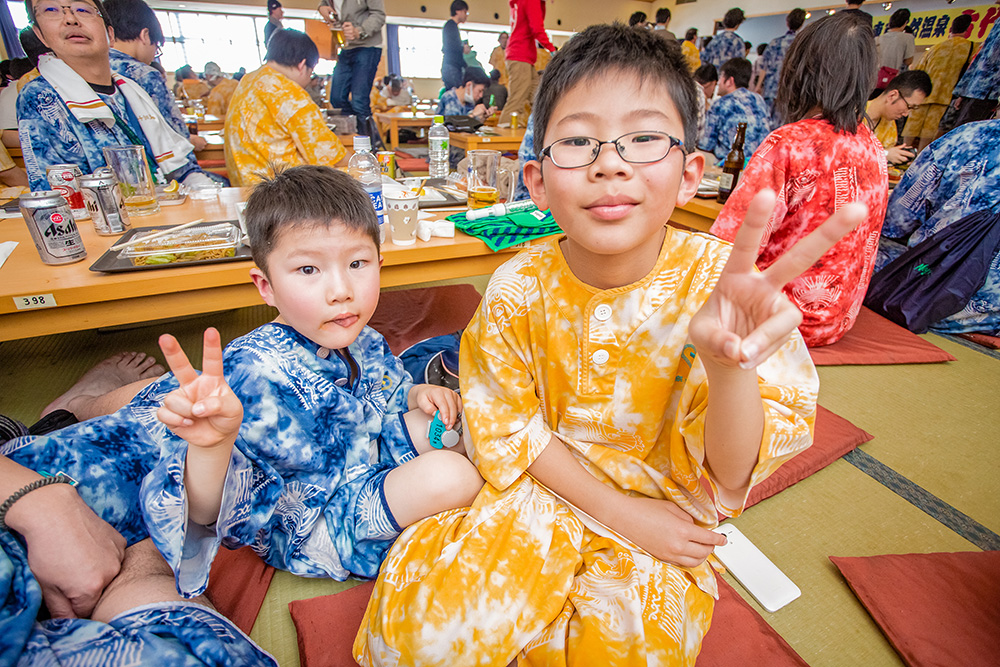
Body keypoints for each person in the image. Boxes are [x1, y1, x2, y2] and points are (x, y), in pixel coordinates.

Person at [354, 22, 865, 666]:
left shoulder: (722, 289)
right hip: (539, 490)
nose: (610, 162)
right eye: (578, 141)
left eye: (644, 138)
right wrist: (619, 513)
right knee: (418, 640)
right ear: (536, 183)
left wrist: (727, 369)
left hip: (666, 510)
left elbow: (732, 476)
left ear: (689, 176)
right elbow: (506, 426)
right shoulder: (516, 286)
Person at [2, 165, 485, 601]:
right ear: (265, 286)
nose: (341, 290)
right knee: (454, 472)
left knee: (448, 422)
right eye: (308, 270)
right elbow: (221, 514)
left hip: (337, 467)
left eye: (357, 264)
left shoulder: (364, 340)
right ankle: (69, 410)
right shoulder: (254, 375)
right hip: (112, 484)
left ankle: (71, 407)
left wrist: (416, 393)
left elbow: (386, 388)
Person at [711, 12, 887, 347]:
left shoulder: (790, 142)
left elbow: (727, 244)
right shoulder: (873, 146)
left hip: (771, 320)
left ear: (798, 72)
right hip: (836, 321)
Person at [18, 0, 218, 192]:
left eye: (83, 9)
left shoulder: (132, 89)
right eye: (51, 10)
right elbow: (59, 200)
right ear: (40, 34)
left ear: (110, 34)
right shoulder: (41, 99)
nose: (70, 19)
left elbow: (184, 169)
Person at [874, 119, 1000, 335]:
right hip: (992, 313)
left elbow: (899, 220)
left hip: (929, 286)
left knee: (864, 249)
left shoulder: (971, 135)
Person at [224, 29, 347, 186]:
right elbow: (332, 157)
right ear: (302, 65)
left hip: (244, 188)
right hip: (284, 194)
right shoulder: (288, 92)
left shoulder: (248, 81)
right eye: (311, 72)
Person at [104, 0, 206, 151]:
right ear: (145, 35)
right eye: (156, 48)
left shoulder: (91, 68)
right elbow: (177, 137)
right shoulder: (144, 74)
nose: (153, 56)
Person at [901, 15, 974, 152]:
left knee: (912, 125)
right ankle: (918, 160)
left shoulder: (936, 48)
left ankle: (903, 153)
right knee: (930, 130)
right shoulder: (970, 48)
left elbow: (918, 70)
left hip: (922, 94)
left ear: (950, 29)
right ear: (968, 29)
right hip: (946, 96)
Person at [327, 0, 385, 138]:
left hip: (368, 46)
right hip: (346, 47)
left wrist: (359, 31)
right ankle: (358, 137)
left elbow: (379, 14)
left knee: (359, 101)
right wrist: (322, 6)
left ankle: (369, 148)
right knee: (336, 98)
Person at [698, 57, 771, 164]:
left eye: (721, 78)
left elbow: (706, 144)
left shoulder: (720, 104)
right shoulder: (759, 100)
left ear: (729, 81)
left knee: (693, 154)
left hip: (730, 165)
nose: (719, 83)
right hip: (757, 164)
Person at [499, 0, 556, 127]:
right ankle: (503, 137)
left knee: (537, 97)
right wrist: (551, 49)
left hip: (524, 56)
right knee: (517, 100)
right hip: (520, 54)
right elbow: (537, 28)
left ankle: (541, 131)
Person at [939, 16, 1000, 132]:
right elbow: (980, 60)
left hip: (988, 93)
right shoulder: (998, 22)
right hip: (977, 90)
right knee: (957, 131)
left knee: (967, 135)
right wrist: (963, 91)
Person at [865, 70, 932, 164]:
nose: (906, 114)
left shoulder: (890, 126)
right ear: (892, 95)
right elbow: (841, 153)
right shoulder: (852, 114)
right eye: (909, 107)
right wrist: (884, 154)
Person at [753, 8, 806, 118]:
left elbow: (764, 66)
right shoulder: (801, 44)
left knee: (765, 119)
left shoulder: (774, 42)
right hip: (788, 91)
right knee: (781, 124)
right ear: (801, 24)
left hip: (770, 88)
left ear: (787, 22)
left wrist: (758, 86)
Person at [875, 9, 914, 88]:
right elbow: (908, 61)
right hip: (895, 80)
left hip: (876, 80)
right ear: (905, 23)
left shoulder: (877, 39)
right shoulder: (907, 38)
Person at [441, 0, 467, 91]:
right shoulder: (450, 25)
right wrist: (463, 48)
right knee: (455, 97)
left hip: (451, 66)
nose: (466, 15)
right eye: (465, 12)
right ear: (457, 11)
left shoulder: (451, 26)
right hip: (452, 67)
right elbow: (450, 47)